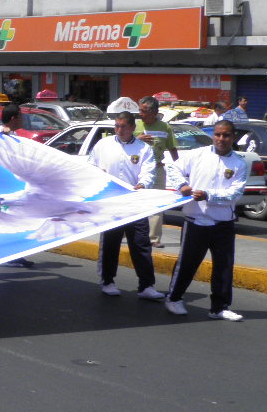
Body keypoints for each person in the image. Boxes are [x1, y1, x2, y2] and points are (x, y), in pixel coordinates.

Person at [162, 120, 248, 321]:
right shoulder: (197, 155)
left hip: (223, 222)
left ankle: (219, 307)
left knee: (224, 265)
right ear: (213, 135)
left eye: (226, 135)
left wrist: (208, 195)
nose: (221, 139)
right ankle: (173, 298)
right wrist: (183, 185)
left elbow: (235, 193)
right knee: (188, 264)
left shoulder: (239, 163)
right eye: (218, 134)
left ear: (233, 137)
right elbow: (172, 168)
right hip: (196, 220)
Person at [87, 111, 161, 299]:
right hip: (111, 203)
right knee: (110, 244)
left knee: (141, 244)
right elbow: (91, 166)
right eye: (117, 126)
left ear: (132, 128)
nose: (119, 130)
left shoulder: (143, 149)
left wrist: (143, 184)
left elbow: (149, 172)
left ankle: (146, 286)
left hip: (135, 203)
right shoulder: (103, 145)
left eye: (123, 126)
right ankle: (107, 281)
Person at [135, 96, 179, 247]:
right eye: (140, 110)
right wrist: (138, 138)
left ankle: (154, 238)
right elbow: (123, 143)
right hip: (137, 170)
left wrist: (179, 168)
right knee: (135, 203)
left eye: (144, 110)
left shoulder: (164, 127)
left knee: (157, 205)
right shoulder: (134, 125)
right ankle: (131, 234)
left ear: (154, 112)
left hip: (157, 169)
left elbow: (173, 149)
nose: (140, 113)